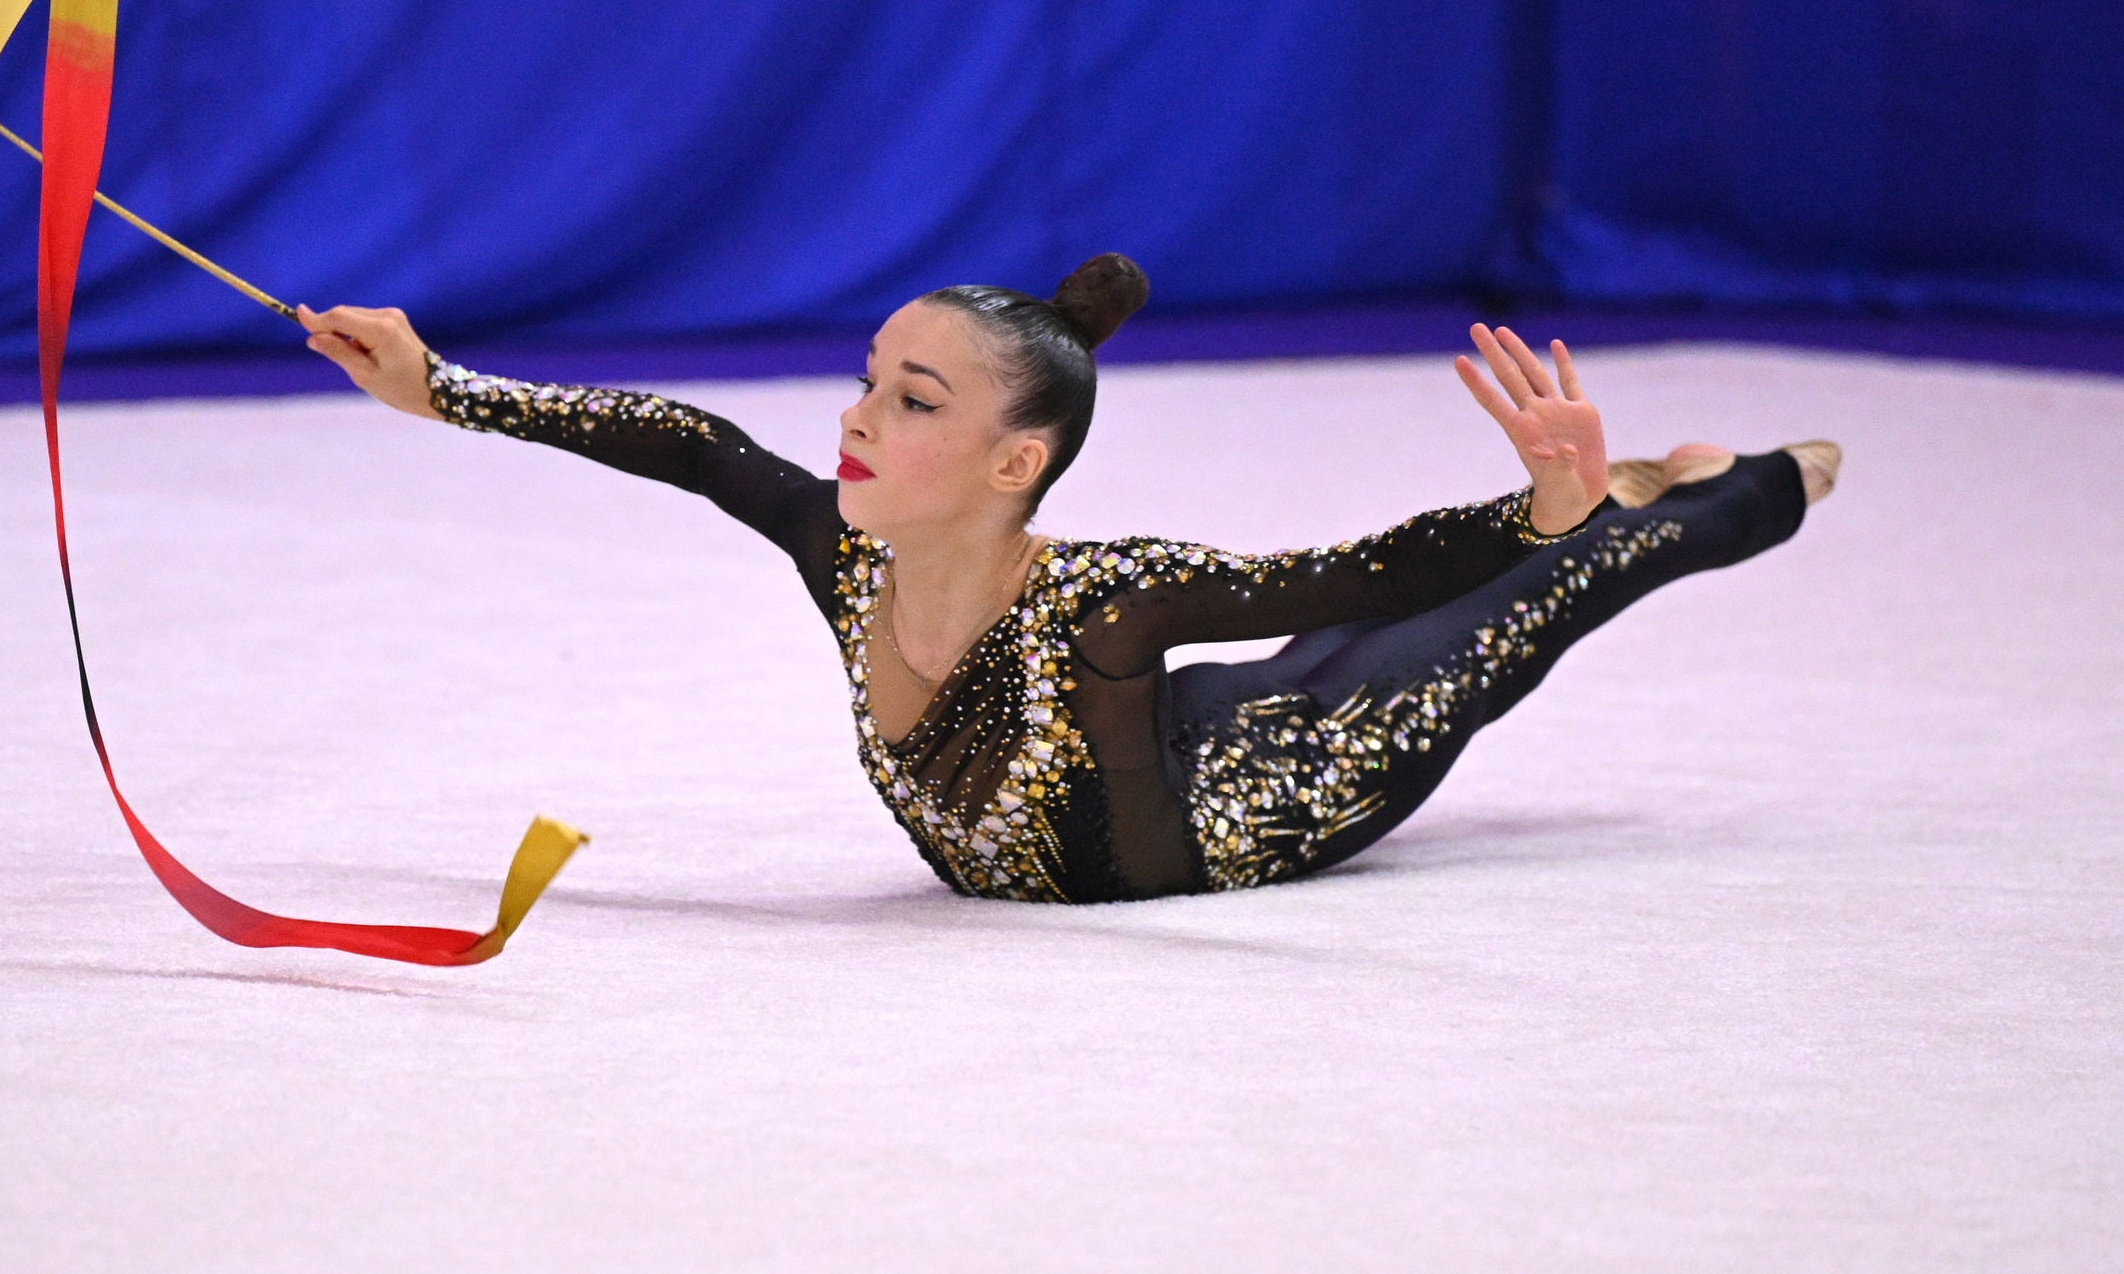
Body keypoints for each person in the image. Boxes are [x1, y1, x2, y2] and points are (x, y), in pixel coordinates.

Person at [296, 255, 1837, 903]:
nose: (853, 417)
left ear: (1013, 463)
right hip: (1183, 735)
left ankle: (1734, 491)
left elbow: (1347, 570)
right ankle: (1608, 505)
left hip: (1286, 782)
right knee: (1388, 621)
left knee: (1519, 609)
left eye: (914, 400)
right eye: (867, 379)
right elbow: (694, 445)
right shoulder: (849, 561)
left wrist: (1541, 513)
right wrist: (445, 388)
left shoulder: (1106, 599)